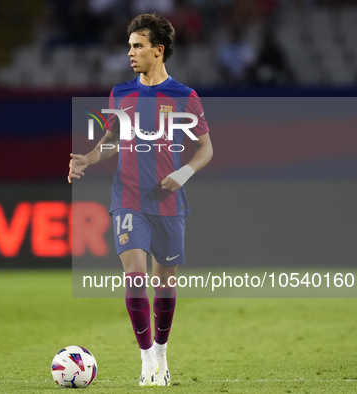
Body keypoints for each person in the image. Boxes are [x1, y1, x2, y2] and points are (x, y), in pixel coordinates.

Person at [68, 13, 213, 387]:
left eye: (138, 46)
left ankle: (162, 351)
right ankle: (147, 358)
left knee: (164, 286)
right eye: (129, 46)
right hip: (128, 198)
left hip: (168, 204)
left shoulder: (185, 97)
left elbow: (206, 149)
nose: (130, 53)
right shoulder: (121, 93)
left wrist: (182, 174)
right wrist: (88, 157)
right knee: (134, 277)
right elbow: (113, 141)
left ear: (158, 50)